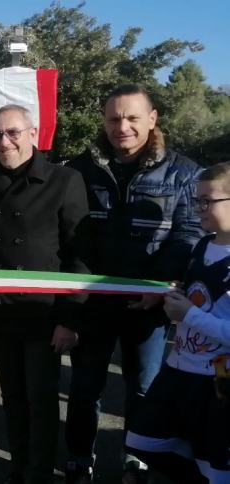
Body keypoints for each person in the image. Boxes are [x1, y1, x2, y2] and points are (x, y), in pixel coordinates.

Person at [64, 84, 204, 484]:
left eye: (131, 118)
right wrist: (80, 289)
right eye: (113, 118)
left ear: (153, 119)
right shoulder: (81, 169)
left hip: (149, 305)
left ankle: (135, 460)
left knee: (143, 389)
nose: (121, 126)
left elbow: (187, 236)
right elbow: (74, 235)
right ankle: (78, 460)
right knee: (84, 388)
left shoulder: (184, 173)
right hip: (95, 302)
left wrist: (160, 287)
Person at [0, 105, 90, 484]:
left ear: (33, 132)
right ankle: (18, 468)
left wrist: (69, 318)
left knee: (41, 402)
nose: (4, 141)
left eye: (12, 132)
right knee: (12, 399)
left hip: (45, 315)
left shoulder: (65, 180)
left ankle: (38, 474)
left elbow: (80, 253)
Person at [124, 161, 230, 484]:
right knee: (141, 440)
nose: (198, 208)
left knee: (217, 469)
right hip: (179, 372)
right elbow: (197, 294)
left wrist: (189, 315)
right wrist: (166, 295)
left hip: (217, 383)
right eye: (197, 199)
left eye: (207, 201)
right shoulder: (202, 245)